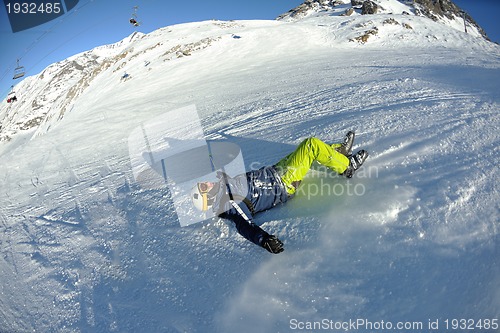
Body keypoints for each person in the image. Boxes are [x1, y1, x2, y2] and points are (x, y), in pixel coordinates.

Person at [191, 131, 368, 254]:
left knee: (307, 149)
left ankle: (339, 153)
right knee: (310, 145)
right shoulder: (229, 204)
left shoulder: (223, 186)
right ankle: (347, 167)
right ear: (209, 198)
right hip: (284, 182)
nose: (206, 183)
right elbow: (244, 226)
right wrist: (263, 239)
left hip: (276, 170)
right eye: (204, 187)